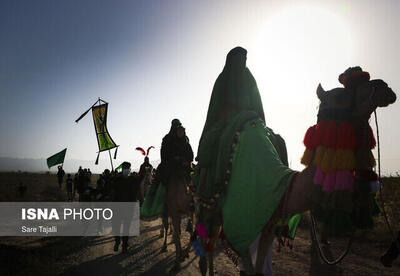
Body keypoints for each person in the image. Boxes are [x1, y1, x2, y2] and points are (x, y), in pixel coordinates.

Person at [195, 47, 294, 275]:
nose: (242, 61)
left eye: (244, 58)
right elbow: (215, 107)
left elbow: (257, 103)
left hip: (249, 121)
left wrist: (255, 118)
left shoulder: (249, 77)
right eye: (238, 58)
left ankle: (278, 189)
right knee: (210, 142)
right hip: (225, 121)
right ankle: (203, 188)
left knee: (276, 141)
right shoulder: (223, 79)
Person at [111, 162, 140, 252]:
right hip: (118, 206)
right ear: (123, 169)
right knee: (117, 226)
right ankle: (117, 241)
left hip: (128, 207)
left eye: (128, 168)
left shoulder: (133, 180)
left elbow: (137, 192)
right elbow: (112, 192)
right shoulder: (117, 179)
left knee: (126, 227)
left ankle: (124, 245)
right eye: (125, 168)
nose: (127, 170)